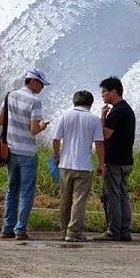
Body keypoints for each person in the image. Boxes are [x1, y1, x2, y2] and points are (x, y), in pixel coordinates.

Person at [0, 68, 50, 241]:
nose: (42, 88)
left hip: (11, 151)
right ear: (33, 81)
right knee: (27, 192)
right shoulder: (35, 101)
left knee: (12, 190)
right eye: (41, 84)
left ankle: (7, 228)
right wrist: (43, 125)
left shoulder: (10, 96)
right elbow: (34, 130)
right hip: (27, 153)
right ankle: (20, 229)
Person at [52, 90, 104, 242]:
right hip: (84, 165)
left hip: (65, 164)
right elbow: (99, 144)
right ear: (90, 103)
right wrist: (101, 164)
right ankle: (74, 232)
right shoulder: (94, 119)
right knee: (79, 200)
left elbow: (56, 140)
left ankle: (64, 231)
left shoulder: (65, 116)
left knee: (65, 199)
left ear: (74, 101)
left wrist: (57, 156)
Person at [99, 75, 135, 242]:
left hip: (115, 160)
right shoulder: (127, 109)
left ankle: (113, 230)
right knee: (122, 195)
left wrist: (102, 116)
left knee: (112, 196)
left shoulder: (117, 112)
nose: (102, 95)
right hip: (126, 159)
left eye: (104, 92)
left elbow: (104, 134)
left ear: (113, 92)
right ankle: (125, 230)